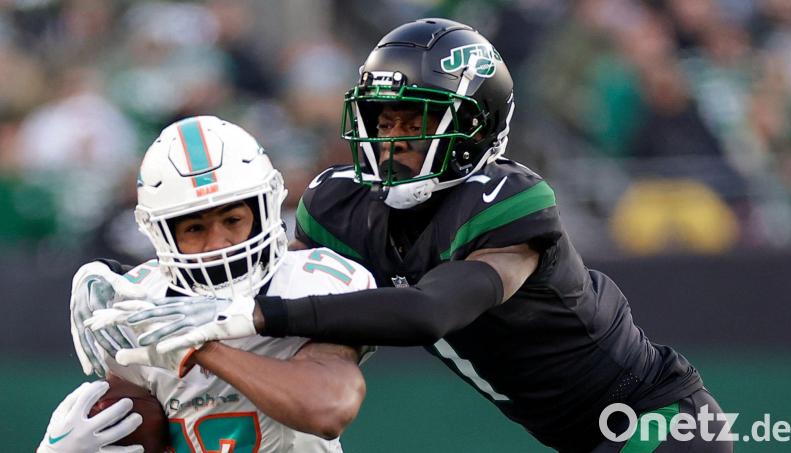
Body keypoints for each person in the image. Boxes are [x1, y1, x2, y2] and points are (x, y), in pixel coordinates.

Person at [80, 19, 733, 452]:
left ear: (478, 127)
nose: (392, 141)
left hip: (656, 420)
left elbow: (428, 309)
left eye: (415, 121)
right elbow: (267, 283)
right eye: (381, 120)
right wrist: (144, 317)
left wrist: (243, 313)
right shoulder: (338, 201)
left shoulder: (507, 199)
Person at [62, 115, 375, 452]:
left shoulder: (314, 280)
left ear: (265, 208)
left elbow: (327, 409)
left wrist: (201, 347)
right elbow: (133, 425)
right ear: (161, 233)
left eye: (232, 220)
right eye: (195, 229)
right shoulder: (139, 302)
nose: (218, 244)